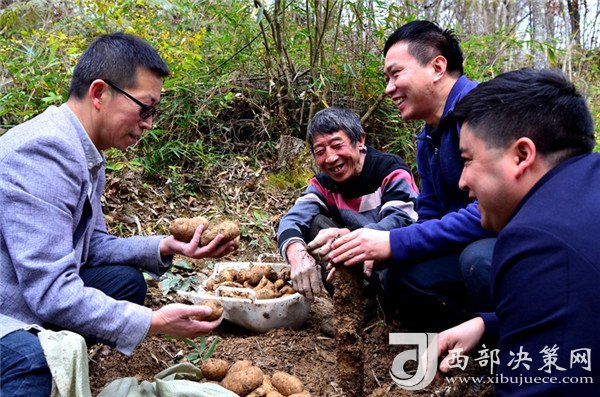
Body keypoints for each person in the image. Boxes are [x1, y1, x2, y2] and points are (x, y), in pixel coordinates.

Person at [0, 33, 236, 397]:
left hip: (28, 288)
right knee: (34, 359)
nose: (150, 123)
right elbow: (50, 290)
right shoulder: (44, 151)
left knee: (126, 282)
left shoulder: (86, 151)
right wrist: (153, 323)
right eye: (145, 108)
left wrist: (167, 247)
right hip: (10, 305)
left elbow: (90, 247)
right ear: (99, 93)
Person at [437, 68, 599, 396]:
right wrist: (489, 323)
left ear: (521, 155)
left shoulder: (538, 239)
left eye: (467, 160)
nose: (462, 182)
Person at [328, 20, 497, 329]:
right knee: (400, 276)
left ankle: (506, 339)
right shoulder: (427, 137)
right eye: (387, 78)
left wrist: (394, 241)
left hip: (505, 241)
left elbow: (487, 214)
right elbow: (430, 212)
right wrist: (381, 248)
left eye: (396, 74)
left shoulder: (483, 114)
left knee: (479, 261)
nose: (389, 88)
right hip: (465, 242)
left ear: (437, 67)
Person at [277, 106, 419, 299]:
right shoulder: (323, 183)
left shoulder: (390, 169)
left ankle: (388, 311)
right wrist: (296, 253)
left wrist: (352, 238)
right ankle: (348, 303)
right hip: (352, 266)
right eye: (320, 151)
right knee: (313, 222)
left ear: (360, 140)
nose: (330, 158)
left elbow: (402, 219)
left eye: (337, 145)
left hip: (390, 260)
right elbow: (292, 218)